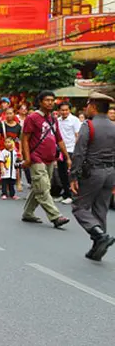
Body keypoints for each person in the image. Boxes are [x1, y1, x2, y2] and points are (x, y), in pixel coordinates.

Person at [70, 93, 115, 261]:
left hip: (93, 172)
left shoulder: (88, 125)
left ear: (94, 106)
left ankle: (99, 236)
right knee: (100, 209)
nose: (86, 108)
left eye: (87, 105)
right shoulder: (113, 126)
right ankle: (98, 247)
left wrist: (73, 175)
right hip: (110, 172)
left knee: (79, 207)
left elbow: (79, 152)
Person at [21, 91, 71, 228]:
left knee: (39, 186)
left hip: (50, 158)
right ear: (40, 102)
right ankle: (56, 216)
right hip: (36, 157)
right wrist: (27, 158)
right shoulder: (32, 118)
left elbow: (59, 139)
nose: (50, 102)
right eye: (47, 100)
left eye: (52, 100)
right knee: (43, 188)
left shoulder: (53, 119)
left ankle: (28, 213)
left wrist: (67, 157)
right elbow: (24, 139)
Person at [56, 102, 82, 205]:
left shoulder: (74, 120)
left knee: (70, 173)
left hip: (71, 150)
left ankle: (71, 195)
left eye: (66, 110)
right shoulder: (57, 120)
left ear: (69, 110)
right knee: (61, 173)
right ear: (59, 111)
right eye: (62, 110)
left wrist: (76, 150)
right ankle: (65, 193)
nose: (64, 112)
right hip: (60, 150)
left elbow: (77, 135)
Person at [0, 107, 22, 193]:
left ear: (14, 114)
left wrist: (20, 152)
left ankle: (14, 185)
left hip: (13, 150)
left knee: (15, 168)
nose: (9, 115)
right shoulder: (1, 125)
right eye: (7, 113)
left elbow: (20, 140)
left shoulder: (18, 127)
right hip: (3, 150)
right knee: (1, 168)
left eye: (11, 113)